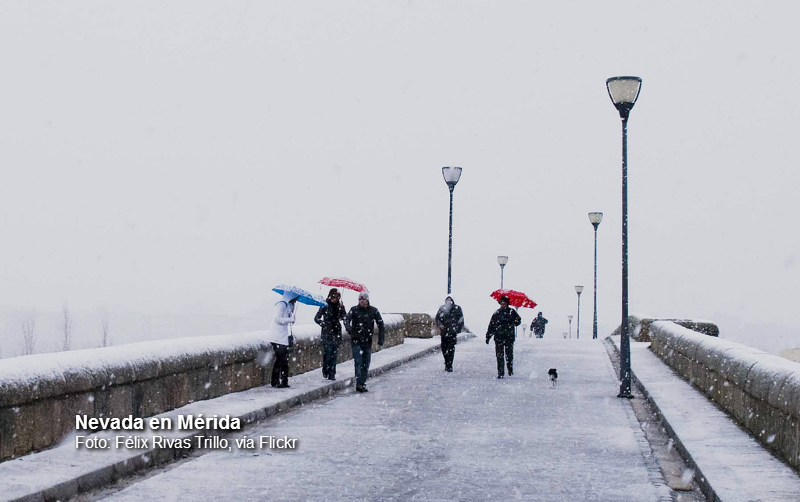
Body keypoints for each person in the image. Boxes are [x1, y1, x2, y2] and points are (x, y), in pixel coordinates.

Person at [344, 291, 385, 393]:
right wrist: (349, 329)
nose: (361, 301)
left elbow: (381, 324)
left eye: (363, 299)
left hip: (367, 342)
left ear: (367, 300)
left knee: (366, 364)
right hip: (356, 341)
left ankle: (362, 382)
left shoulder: (373, 311)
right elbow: (346, 320)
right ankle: (359, 383)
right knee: (358, 362)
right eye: (360, 300)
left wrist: (381, 339)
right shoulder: (354, 310)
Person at [266, 292, 298, 388]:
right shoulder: (281, 304)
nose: (296, 300)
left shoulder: (289, 305)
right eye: (295, 298)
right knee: (281, 359)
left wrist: (291, 316)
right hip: (276, 337)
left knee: (284, 360)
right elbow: (277, 319)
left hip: (282, 337)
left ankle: (284, 381)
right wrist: (290, 320)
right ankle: (275, 381)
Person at [486, 295, 521, 379]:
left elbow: (518, 321)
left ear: (507, 303)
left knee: (509, 355)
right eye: (501, 302)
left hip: (509, 337)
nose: (503, 304)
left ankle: (510, 368)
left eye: (504, 302)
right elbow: (491, 325)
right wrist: (488, 336)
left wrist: (514, 321)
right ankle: (500, 372)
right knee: (499, 355)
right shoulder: (496, 313)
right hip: (499, 337)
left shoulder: (512, 312)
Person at [314, 288, 346, 381]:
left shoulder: (340, 306)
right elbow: (316, 318)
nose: (334, 298)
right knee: (327, 354)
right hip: (327, 334)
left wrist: (342, 309)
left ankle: (332, 374)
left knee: (334, 355)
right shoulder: (325, 305)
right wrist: (323, 324)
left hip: (336, 333)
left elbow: (344, 317)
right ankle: (325, 370)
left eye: (336, 296)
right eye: (333, 296)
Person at [435, 295, 464, 372]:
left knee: (451, 349)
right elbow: (437, 318)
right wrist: (440, 325)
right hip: (444, 332)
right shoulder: (442, 308)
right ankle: (446, 361)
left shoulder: (457, 308)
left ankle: (449, 365)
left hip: (452, 332)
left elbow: (461, 319)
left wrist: (457, 329)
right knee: (444, 349)